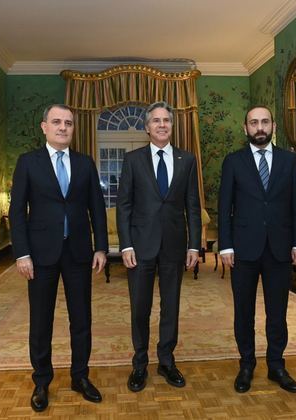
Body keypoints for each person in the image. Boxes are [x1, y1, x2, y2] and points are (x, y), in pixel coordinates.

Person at [9, 104, 108, 412]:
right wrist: (22, 253)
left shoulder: (85, 163)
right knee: (41, 321)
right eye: (56, 122)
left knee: (82, 319)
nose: (63, 127)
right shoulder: (28, 163)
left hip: (78, 252)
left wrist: (101, 247)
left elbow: (97, 207)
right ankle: (41, 381)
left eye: (68, 123)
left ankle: (80, 377)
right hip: (40, 254)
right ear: (44, 127)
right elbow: (17, 212)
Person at [218, 105, 296, 394]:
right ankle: (246, 365)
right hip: (243, 249)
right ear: (245, 128)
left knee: (277, 313)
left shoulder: (289, 161)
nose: (260, 127)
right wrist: (225, 246)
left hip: (280, 249)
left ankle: (276, 365)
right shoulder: (233, 162)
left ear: (273, 127)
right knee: (243, 312)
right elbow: (224, 208)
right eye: (254, 122)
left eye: (265, 122)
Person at [116, 101, 202, 392]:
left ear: (172, 126)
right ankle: (139, 363)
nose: (162, 124)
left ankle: (166, 360)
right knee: (140, 307)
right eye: (156, 120)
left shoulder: (187, 160)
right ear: (147, 127)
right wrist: (126, 245)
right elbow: (124, 206)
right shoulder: (133, 160)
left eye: (166, 120)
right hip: (140, 246)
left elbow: (193, 205)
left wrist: (194, 246)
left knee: (171, 306)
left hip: (174, 246)